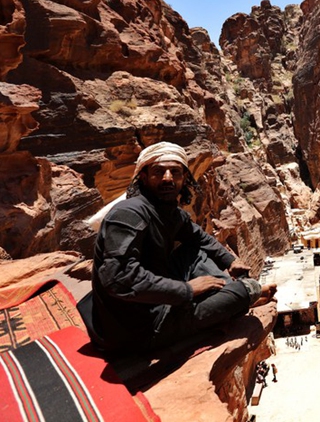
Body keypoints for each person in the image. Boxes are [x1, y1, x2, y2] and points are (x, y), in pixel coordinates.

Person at [78, 142, 277, 353]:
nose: (167, 178)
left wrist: (230, 261)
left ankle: (227, 296)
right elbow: (118, 278)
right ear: (143, 177)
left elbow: (199, 238)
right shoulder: (129, 214)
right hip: (137, 328)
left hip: (150, 300)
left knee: (194, 252)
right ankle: (241, 296)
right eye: (158, 172)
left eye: (175, 172)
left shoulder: (168, 212)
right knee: (246, 290)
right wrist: (188, 289)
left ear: (184, 179)